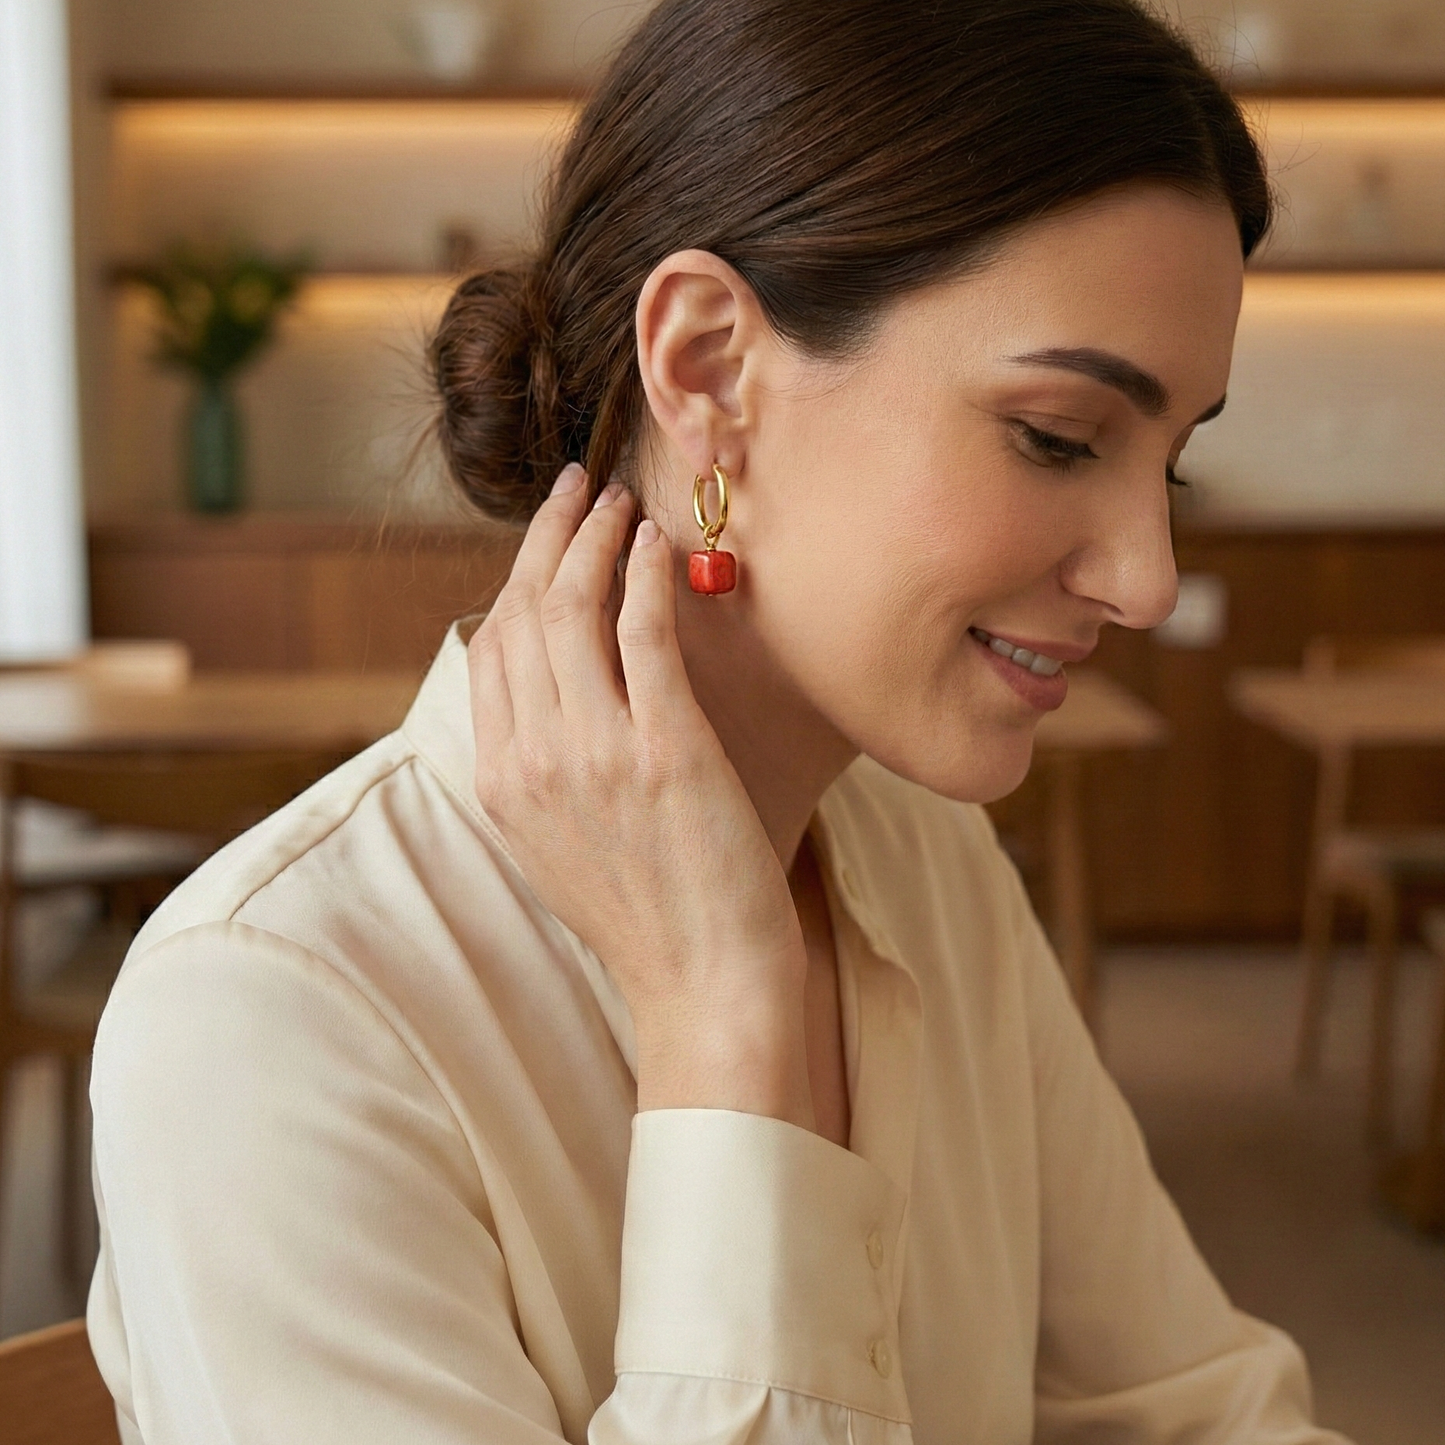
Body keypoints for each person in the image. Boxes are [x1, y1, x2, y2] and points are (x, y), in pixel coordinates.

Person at [87, 1, 1351, 1441]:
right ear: (707, 371)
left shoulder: (932, 868)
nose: (1149, 577)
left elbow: (1194, 1410)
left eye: (1169, 467)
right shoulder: (274, 1011)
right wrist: (724, 1030)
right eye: (1057, 438)